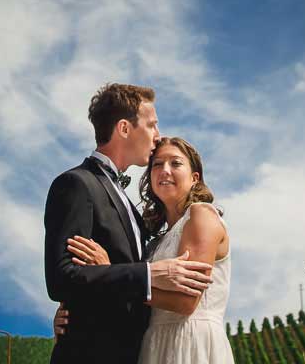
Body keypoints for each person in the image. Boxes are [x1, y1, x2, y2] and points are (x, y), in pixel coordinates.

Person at [44, 84, 214, 364]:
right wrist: (148, 275)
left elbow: (112, 281)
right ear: (124, 128)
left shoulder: (131, 209)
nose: (157, 136)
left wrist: (110, 273)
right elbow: (62, 279)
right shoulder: (77, 184)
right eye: (152, 125)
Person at [59, 136, 235, 364]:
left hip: (191, 342)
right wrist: (74, 314)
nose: (165, 170)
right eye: (157, 164)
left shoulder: (201, 214)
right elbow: (140, 302)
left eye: (176, 163)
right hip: (152, 346)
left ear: (195, 178)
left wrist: (111, 271)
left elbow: (185, 302)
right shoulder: (153, 243)